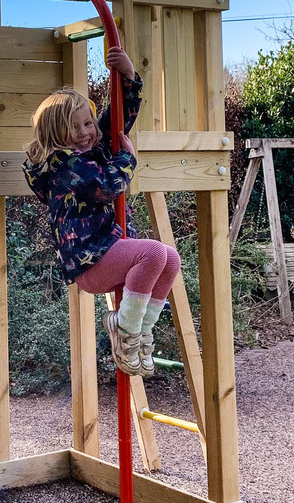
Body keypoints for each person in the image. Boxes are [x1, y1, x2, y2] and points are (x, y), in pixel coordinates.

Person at [23, 47, 181, 377]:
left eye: (88, 123)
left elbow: (115, 123)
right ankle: (124, 330)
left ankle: (141, 333)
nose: (86, 132)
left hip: (106, 250)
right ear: (56, 135)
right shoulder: (67, 168)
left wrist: (128, 79)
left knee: (171, 259)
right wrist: (127, 159)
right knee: (153, 254)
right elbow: (109, 186)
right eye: (74, 127)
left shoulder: (86, 150)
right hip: (89, 262)